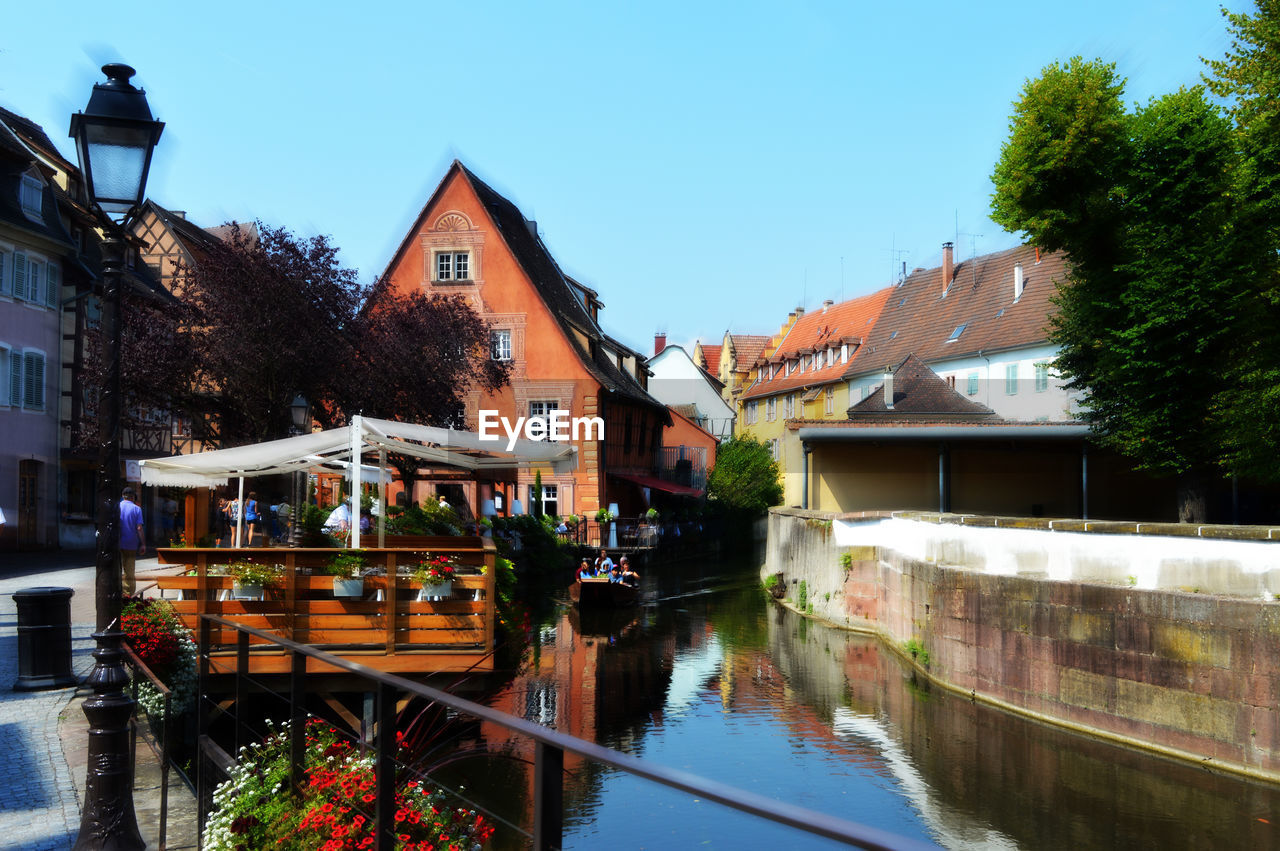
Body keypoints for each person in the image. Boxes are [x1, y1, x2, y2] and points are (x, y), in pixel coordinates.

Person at [119, 487, 145, 596]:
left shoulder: (116, 507)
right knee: (129, 571)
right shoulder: (136, 509)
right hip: (131, 544)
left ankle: (117, 592)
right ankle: (128, 596)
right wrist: (143, 544)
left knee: (117, 569)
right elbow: (139, 528)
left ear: (122, 496)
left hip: (117, 544)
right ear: (133, 497)